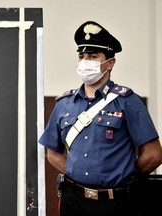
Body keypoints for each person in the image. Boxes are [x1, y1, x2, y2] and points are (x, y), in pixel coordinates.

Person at [39, 21, 162, 216]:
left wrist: (123, 174)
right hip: (74, 201)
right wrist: (77, 173)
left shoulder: (128, 101)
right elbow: (52, 153)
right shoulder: (64, 103)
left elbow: (154, 155)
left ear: (110, 62)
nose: (85, 61)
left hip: (115, 203)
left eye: (93, 56)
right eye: (82, 56)